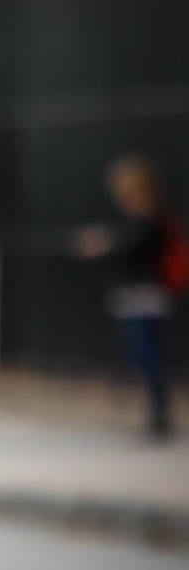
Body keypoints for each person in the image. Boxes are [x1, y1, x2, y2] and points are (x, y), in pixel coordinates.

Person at [73, 154, 183, 439]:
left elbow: (132, 249)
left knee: (149, 355)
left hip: (148, 295)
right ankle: (154, 412)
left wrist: (104, 244)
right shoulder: (136, 218)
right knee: (142, 355)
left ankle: (159, 416)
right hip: (134, 295)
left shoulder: (151, 217)